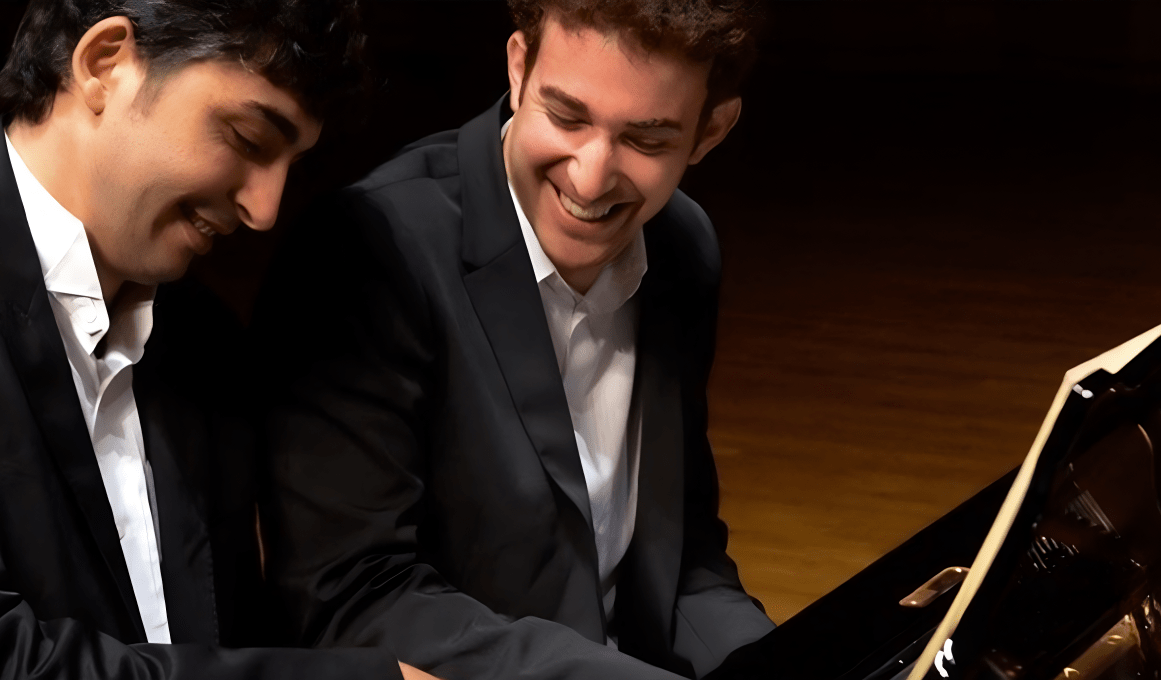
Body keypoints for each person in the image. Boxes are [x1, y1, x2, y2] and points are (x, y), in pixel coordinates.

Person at [0, 2, 434, 679]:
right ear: (104, 63)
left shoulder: (202, 339)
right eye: (249, 140)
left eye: (292, 165)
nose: (265, 208)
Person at [256, 1, 775, 679]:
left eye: (646, 140)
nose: (590, 178)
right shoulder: (366, 253)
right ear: (519, 67)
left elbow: (681, 565)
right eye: (566, 116)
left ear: (711, 130)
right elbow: (352, 596)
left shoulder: (684, 247)